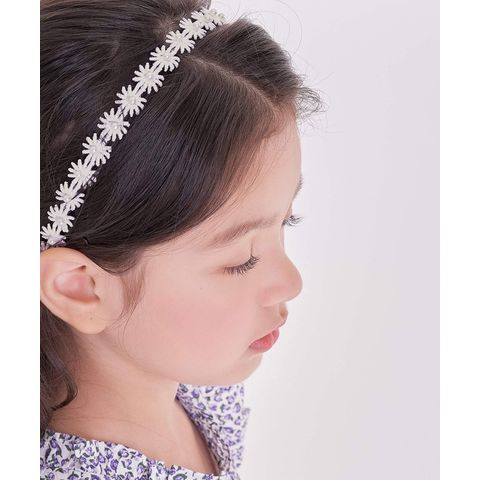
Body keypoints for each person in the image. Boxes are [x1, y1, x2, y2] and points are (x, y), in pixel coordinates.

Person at [40, 0, 325, 478]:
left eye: (286, 222)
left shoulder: (193, 381)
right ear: (81, 287)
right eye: (241, 260)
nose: (291, 282)